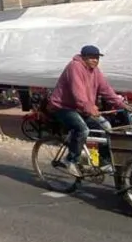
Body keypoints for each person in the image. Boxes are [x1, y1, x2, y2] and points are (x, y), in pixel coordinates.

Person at [47, 45, 127, 177]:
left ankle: (104, 161)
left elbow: (106, 89)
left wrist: (121, 104)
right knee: (83, 129)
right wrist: (89, 108)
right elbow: (78, 93)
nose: (95, 60)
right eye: (92, 58)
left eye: (97, 58)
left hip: (80, 107)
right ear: (83, 58)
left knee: (107, 127)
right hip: (63, 107)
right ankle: (69, 159)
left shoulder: (95, 71)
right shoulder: (74, 67)